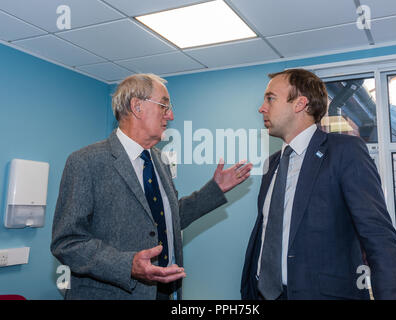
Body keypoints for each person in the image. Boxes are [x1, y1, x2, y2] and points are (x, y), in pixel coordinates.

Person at [51, 73, 252, 300]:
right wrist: (128, 265)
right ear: (137, 107)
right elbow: (66, 242)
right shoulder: (86, 162)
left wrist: (214, 190)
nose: (171, 115)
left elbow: (168, 220)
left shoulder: (160, 161)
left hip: (163, 292)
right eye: (164, 106)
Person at [241, 68, 396, 300]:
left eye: (270, 98)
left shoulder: (345, 152)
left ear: (300, 103)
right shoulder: (272, 165)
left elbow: (379, 239)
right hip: (263, 294)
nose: (262, 108)